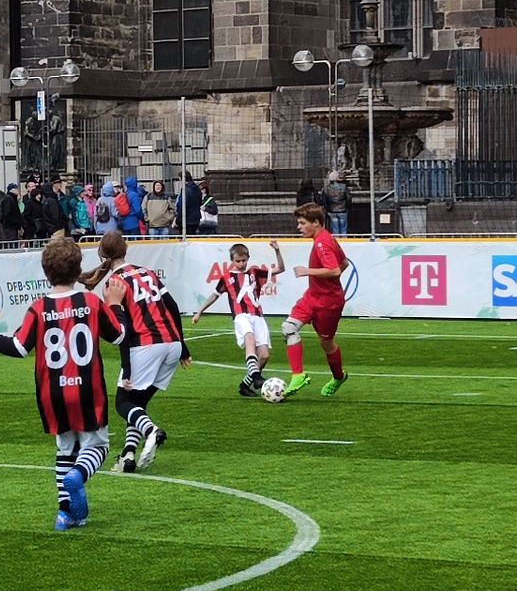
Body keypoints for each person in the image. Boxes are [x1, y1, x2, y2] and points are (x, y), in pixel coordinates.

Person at [0, 238, 127, 531]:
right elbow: (119, 336)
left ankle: (66, 514)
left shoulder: (38, 308)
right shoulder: (90, 302)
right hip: (87, 390)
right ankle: (79, 474)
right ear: (78, 269)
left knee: (65, 450)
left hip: (52, 393)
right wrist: (114, 304)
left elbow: (18, 347)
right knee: (97, 446)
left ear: (46, 272)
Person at [80, 231, 191, 473]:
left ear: (102, 254)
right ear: (125, 249)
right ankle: (128, 455)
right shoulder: (147, 272)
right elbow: (172, 306)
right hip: (171, 344)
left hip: (145, 345)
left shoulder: (113, 284)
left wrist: (127, 368)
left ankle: (152, 431)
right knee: (138, 404)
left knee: (123, 402)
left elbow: (123, 329)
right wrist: (183, 346)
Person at [192, 240, 285, 396]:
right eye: (238, 261)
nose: (241, 264)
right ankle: (256, 377)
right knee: (249, 339)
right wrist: (199, 311)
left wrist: (277, 251)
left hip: (258, 316)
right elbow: (214, 295)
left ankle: (245, 385)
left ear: (248, 258)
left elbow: (281, 268)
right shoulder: (226, 277)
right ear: (232, 260)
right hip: (241, 315)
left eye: (244, 260)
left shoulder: (255, 272)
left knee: (264, 356)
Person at [281, 202, 350, 398]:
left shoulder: (323, 243)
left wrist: (308, 271)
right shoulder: (325, 238)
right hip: (312, 296)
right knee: (288, 327)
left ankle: (338, 377)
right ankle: (298, 375)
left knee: (326, 343)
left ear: (316, 222)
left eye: (302, 223)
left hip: (329, 303)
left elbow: (335, 270)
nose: (299, 227)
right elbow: (344, 263)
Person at [322, 171, 350, 236]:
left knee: (335, 229)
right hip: (343, 209)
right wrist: (347, 206)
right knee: (343, 229)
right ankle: (344, 240)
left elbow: (324, 200)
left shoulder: (326, 188)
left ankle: (337, 240)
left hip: (332, 210)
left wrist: (327, 208)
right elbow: (348, 198)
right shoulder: (344, 187)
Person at [177, 171, 202, 236]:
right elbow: (200, 202)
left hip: (186, 220)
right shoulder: (197, 189)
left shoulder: (185, 190)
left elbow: (182, 206)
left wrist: (178, 220)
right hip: (196, 219)